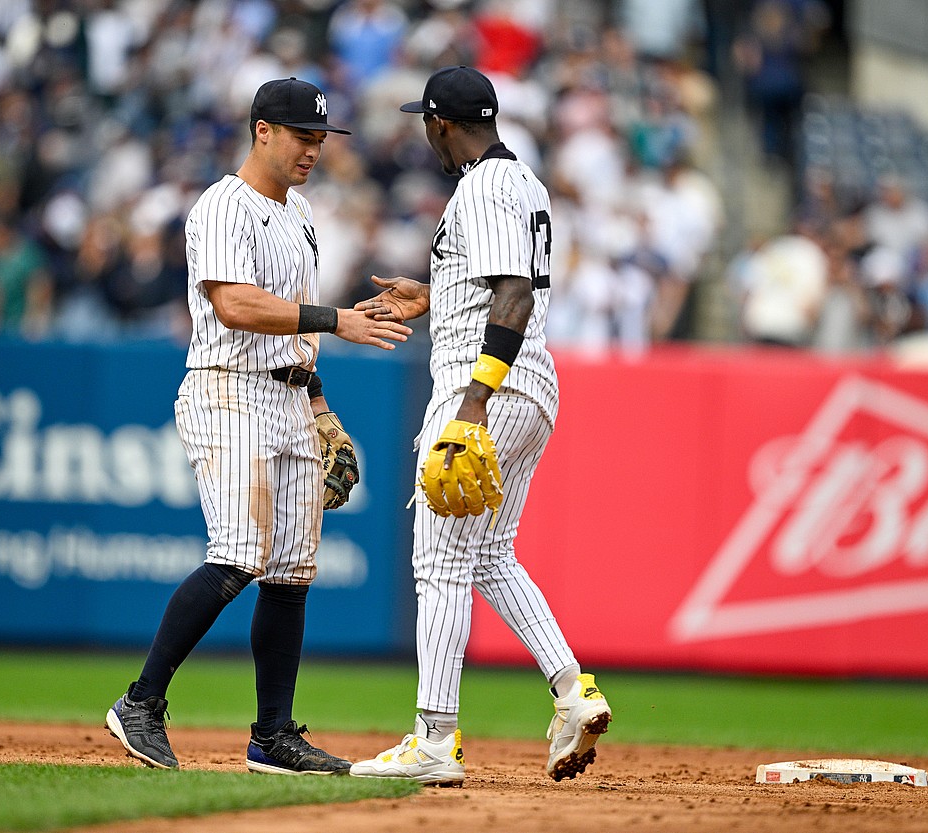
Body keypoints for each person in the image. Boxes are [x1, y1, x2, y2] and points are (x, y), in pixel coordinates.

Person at [105, 77, 412, 775]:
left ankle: (272, 736)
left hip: (290, 397)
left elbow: (291, 325)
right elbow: (237, 305)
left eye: (321, 138)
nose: (314, 149)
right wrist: (338, 319)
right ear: (263, 130)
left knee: (292, 571)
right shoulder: (221, 205)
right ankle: (141, 702)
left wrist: (322, 407)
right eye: (303, 135)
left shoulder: (301, 213)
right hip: (228, 388)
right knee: (239, 551)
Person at [348, 66, 612, 786]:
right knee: (489, 553)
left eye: (425, 123)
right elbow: (497, 279)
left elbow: (515, 292)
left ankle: (433, 738)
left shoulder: (486, 184)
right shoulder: (522, 181)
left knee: (438, 564)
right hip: (527, 387)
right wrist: (434, 295)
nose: (425, 135)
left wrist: (472, 402)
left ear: (440, 123)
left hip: (483, 385)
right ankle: (571, 691)